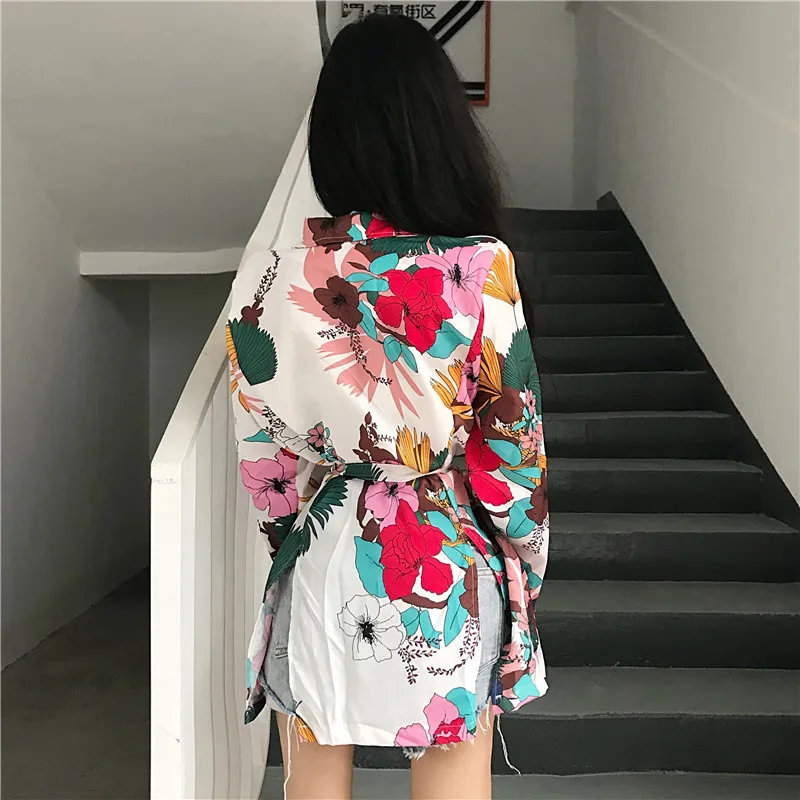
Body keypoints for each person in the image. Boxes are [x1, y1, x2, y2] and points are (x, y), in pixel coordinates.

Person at [226, 13, 548, 800]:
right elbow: (512, 456)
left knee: (312, 772)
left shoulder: (270, 275)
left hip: (323, 551)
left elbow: (265, 463)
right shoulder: (479, 267)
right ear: (441, 129)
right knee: (452, 770)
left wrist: (290, 541)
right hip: (442, 561)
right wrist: (524, 568)